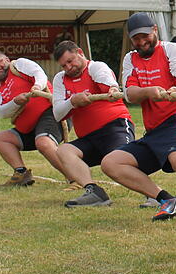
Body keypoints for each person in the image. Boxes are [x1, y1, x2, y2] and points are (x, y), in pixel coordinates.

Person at [101, 13, 176, 230]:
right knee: (111, 163)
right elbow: (129, 93)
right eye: (136, 39)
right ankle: (167, 200)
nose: (141, 42)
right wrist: (148, 92)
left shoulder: (171, 50)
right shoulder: (131, 58)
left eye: (145, 36)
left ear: (155, 30)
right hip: (155, 131)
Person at [52, 41, 135, 208]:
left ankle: (155, 195)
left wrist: (111, 89)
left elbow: (110, 86)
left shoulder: (96, 67)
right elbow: (58, 114)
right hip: (89, 138)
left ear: (80, 52)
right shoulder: (60, 79)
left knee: (124, 161)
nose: (68, 67)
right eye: (64, 65)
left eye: (71, 61)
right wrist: (73, 101)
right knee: (64, 151)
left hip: (115, 127)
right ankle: (94, 192)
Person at [0, 50, 65, 187]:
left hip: (50, 113)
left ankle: (75, 177)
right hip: (29, 128)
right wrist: (16, 102)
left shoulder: (19, 65)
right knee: (1, 138)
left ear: (7, 60)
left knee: (44, 143)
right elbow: (2, 112)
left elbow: (39, 74)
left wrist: (37, 87)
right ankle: (21, 173)